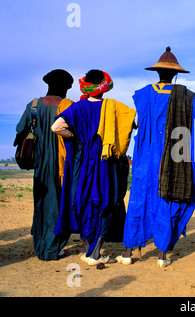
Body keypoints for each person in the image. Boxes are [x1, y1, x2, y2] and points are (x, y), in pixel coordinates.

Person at [118, 47, 195, 267]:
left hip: (145, 159)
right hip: (173, 159)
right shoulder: (186, 98)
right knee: (166, 200)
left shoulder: (144, 95)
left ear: (157, 72)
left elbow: (136, 121)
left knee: (138, 200)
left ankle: (127, 253)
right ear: (176, 74)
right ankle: (161, 256)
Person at [51, 69, 136, 266]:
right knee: (106, 201)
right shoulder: (114, 107)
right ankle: (96, 250)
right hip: (106, 163)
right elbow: (134, 121)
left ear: (86, 85)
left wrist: (77, 137)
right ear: (105, 87)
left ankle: (89, 248)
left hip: (84, 162)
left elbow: (56, 127)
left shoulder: (78, 107)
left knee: (84, 200)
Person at [14, 69, 74, 260]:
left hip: (40, 164)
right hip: (63, 165)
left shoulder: (33, 105)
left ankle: (41, 246)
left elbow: (19, 131)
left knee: (41, 203)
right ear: (65, 87)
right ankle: (52, 248)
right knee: (58, 203)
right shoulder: (69, 106)